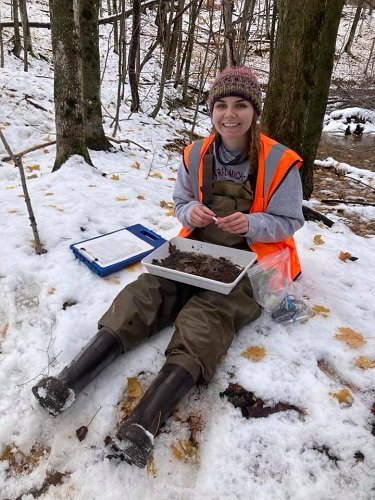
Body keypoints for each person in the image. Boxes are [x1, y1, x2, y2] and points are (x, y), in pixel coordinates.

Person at [32, 66, 304, 469]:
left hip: (253, 263)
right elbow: (179, 201)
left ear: (254, 110)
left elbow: (290, 220)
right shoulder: (194, 154)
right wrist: (189, 210)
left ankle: (144, 424)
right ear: (212, 111)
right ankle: (66, 384)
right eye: (222, 105)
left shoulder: (281, 161)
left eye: (241, 105)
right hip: (196, 249)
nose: (230, 115)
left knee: (206, 318)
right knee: (144, 294)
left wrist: (253, 223)